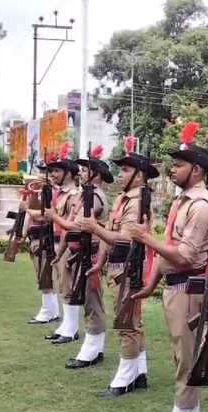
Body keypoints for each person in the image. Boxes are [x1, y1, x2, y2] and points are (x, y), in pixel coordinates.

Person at [126, 122, 208, 412]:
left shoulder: (202, 205)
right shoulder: (184, 202)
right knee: (182, 355)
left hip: (189, 290)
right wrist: (151, 284)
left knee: (186, 361)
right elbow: (171, 247)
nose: (172, 169)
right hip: (176, 288)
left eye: (178, 164)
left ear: (196, 169)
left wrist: (145, 238)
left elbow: (184, 255)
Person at [81, 137, 159, 398]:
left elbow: (126, 238)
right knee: (131, 321)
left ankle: (125, 378)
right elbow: (109, 234)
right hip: (116, 266)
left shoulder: (138, 202)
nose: (120, 173)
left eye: (126, 169)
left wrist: (95, 228)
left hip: (128, 267)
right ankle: (139, 372)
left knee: (127, 322)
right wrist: (100, 262)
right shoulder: (123, 199)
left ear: (139, 176)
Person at [65, 145, 114, 369]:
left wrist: (54, 217)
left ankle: (92, 350)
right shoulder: (86, 194)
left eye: (85, 170)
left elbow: (79, 224)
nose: (81, 173)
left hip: (92, 254)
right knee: (87, 300)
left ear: (96, 175)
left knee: (93, 302)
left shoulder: (95, 196)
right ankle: (94, 346)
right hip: (83, 252)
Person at [42, 143, 82, 344]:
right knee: (62, 284)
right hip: (59, 242)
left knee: (68, 285)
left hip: (68, 243)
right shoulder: (62, 193)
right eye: (52, 170)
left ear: (69, 173)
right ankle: (66, 325)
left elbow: (70, 224)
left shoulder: (74, 195)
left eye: (57, 170)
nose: (53, 174)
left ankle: (72, 328)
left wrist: (53, 217)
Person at [20, 167, 60, 324]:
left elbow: (46, 215)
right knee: (43, 276)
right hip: (36, 238)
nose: (40, 178)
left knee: (44, 277)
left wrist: (27, 210)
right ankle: (52, 311)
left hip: (44, 238)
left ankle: (47, 312)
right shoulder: (37, 193)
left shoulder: (52, 193)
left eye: (44, 174)